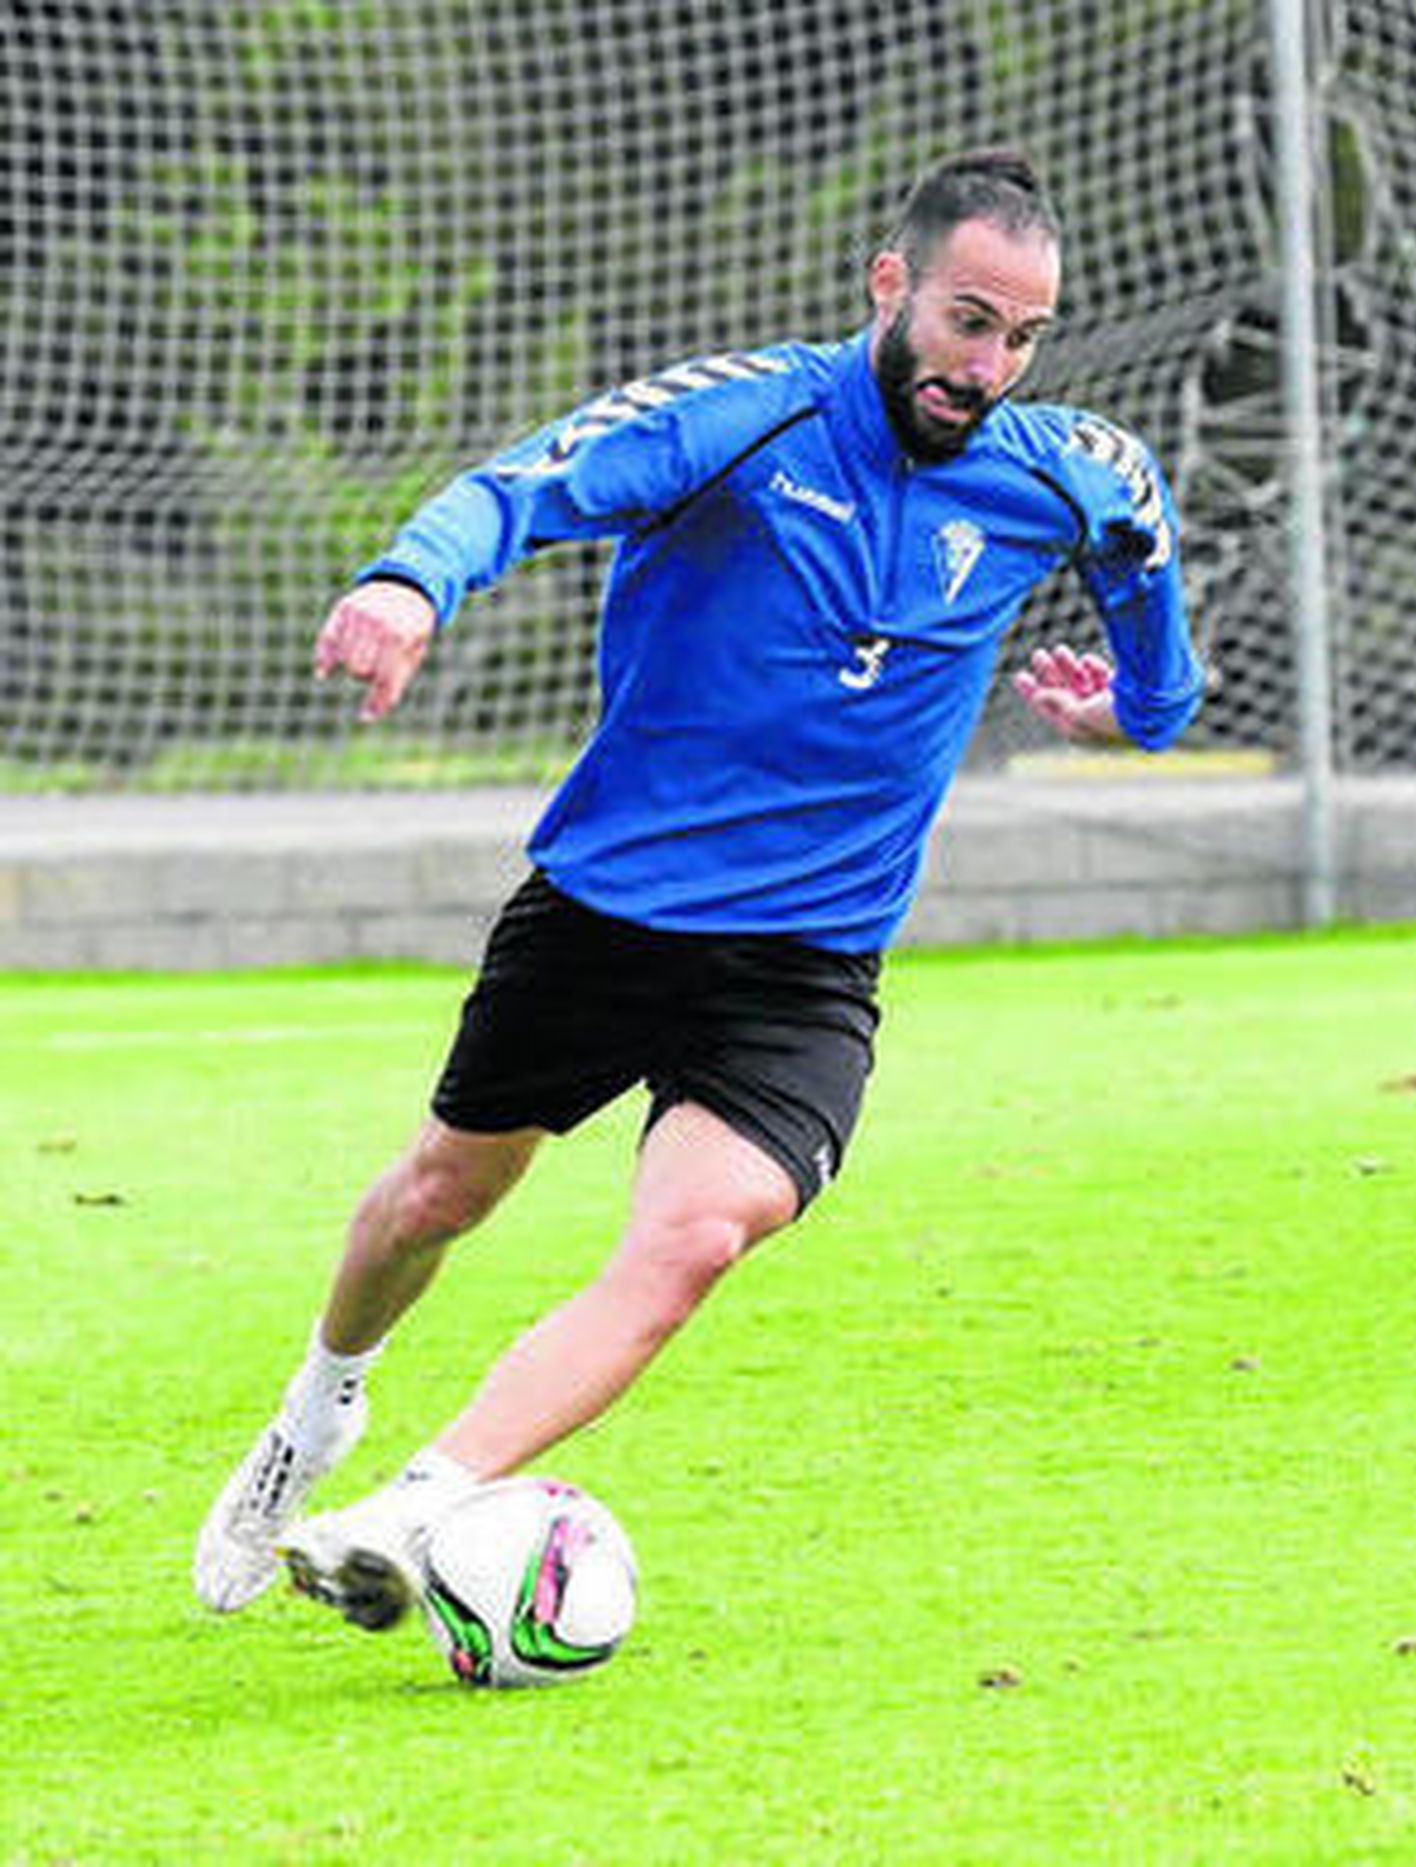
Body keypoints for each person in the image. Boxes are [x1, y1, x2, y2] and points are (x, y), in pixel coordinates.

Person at [194, 148, 1206, 1631]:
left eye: (1022, 337)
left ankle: (415, 1512)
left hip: (805, 964)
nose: (987, 365)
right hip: (612, 911)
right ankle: (321, 1410)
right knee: (440, 1197)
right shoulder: (745, 417)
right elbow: (521, 485)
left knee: (693, 1242)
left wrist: (1136, 712)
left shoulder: (1074, 473)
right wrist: (413, 580)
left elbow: (1161, 644)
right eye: (967, 320)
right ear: (893, 284)